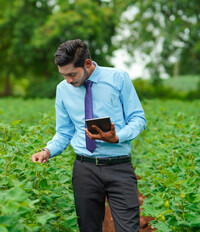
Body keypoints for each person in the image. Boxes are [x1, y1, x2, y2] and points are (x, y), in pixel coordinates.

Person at [31, 39, 146, 232]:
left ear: (87, 63)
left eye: (72, 74)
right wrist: (47, 151)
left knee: (128, 228)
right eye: (63, 75)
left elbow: (138, 119)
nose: (68, 80)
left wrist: (117, 137)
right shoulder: (63, 90)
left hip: (119, 166)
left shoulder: (118, 78)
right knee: (88, 228)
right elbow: (64, 132)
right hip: (85, 169)